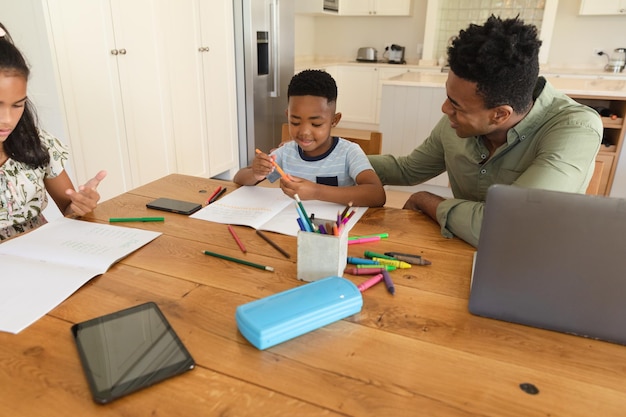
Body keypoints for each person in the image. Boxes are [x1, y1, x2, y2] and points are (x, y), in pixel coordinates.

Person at [369, 15, 602, 247]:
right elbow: (407, 170)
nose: (445, 109)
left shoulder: (575, 129)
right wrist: (338, 154)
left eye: (456, 104)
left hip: (533, 259)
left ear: (500, 114)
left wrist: (426, 200)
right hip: (463, 247)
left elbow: (509, 227)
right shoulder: (456, 123)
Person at [0, 22, 106, 241]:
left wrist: (80, 205)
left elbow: (68, 210)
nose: (7, 120)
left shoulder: (37, 144)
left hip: (42, 258)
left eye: (17, 105)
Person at [234, 69, 385, 207]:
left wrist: (316, 192)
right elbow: (239, 178)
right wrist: (256, 173)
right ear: (287, 116)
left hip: (333, 231)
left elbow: (377, 194)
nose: (305, 132)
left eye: (316, 124)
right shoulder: (286, 152)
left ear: (334, 120)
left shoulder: (349, 153)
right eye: (295, 122)